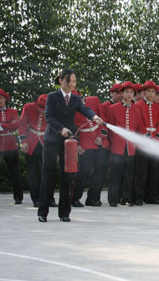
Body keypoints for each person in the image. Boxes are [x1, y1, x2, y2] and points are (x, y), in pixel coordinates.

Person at [37, 69, 103, 223]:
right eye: (70, 81)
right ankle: (43, 212)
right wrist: (61, 129)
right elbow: (49, 117)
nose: (72, 84)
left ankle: (64, 213)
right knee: (47, 175)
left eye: (74, 81)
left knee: (67, 176)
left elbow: (85, 109)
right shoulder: (52, 97)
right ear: (61, 80)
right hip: (52, 139)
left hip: (68, 142)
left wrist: (94, 116)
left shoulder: (75, 99)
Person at [108, 82, 144, 207]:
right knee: (115, 173)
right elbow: (109, 128)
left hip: (131, 147)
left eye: (131, 92)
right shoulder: (113, 108)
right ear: (121, 93)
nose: (129, 94)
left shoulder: (137, 109)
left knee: (129, 173)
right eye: (126, 92)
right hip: (117, 145)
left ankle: (126, 198)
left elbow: (139, 128)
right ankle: (113, 198)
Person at [0, 88, 23, 205]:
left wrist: (1, 125)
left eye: (0, 98)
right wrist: (8, 125)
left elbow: (16, 125)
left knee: (14, 171)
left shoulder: (12, 111)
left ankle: (18, 197)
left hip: (9, 143)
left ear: (5, 99)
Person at [19, 94, 56, 208]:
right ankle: (36, 199)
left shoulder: (54, 110)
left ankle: (50, 199)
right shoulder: (28, 107)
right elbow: (22, 125)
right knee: (33, 173)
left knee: (49, 172)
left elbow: (56, 128)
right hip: (32, 141)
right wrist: (23, 141)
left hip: (47, 141)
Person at [70, 92, 106, 207]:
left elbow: (103, 120)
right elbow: (71, 128)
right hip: (84, 142)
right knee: (82, 172)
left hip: (98, 140)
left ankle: (93, 198)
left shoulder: (94, 100)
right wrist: (77, 144)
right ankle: (75, 199)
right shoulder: (69, 109)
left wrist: (101, 136)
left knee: (99, 171)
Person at [134, 80, 159, 205]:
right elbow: (138, 122)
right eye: (149, 91)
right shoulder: (138, 105)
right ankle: (138, 197)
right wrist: (146, 135)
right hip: (143, 141)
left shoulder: (157, 107)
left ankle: (151, 196)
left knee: (154, 170)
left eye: (153, 92)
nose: (151, 94)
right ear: (144, 92)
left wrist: (157, 136)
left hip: (154, 142)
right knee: (141, 170)